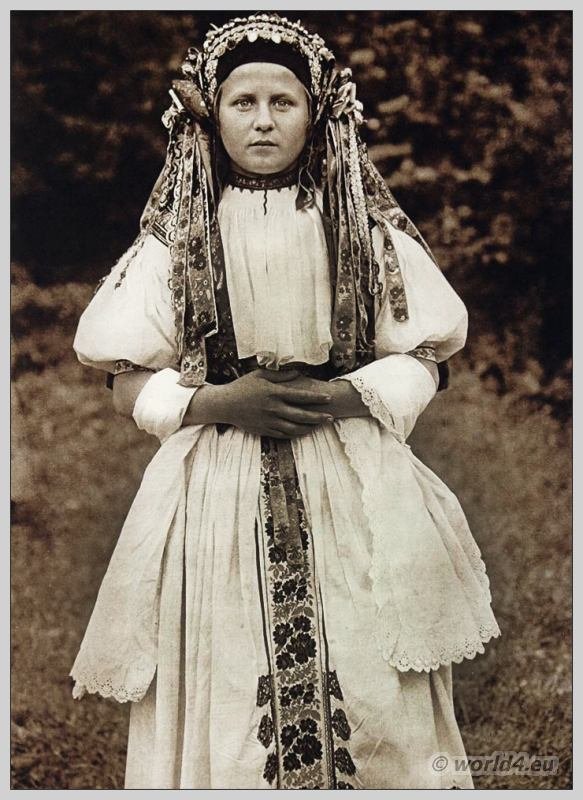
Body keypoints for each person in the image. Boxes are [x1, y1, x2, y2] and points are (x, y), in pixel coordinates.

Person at [70, 14, 501, 790]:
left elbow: (427, 357)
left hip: (349, 473)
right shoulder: (177, 242)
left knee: (371, 672)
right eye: (243, 103)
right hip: (218, 490)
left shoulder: (359, 232)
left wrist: (342, 396)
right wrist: (222, 402)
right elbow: (125, 378)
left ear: (318, 113)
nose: (263, 121)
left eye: (283, 102)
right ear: (208, 115)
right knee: (229, 675)